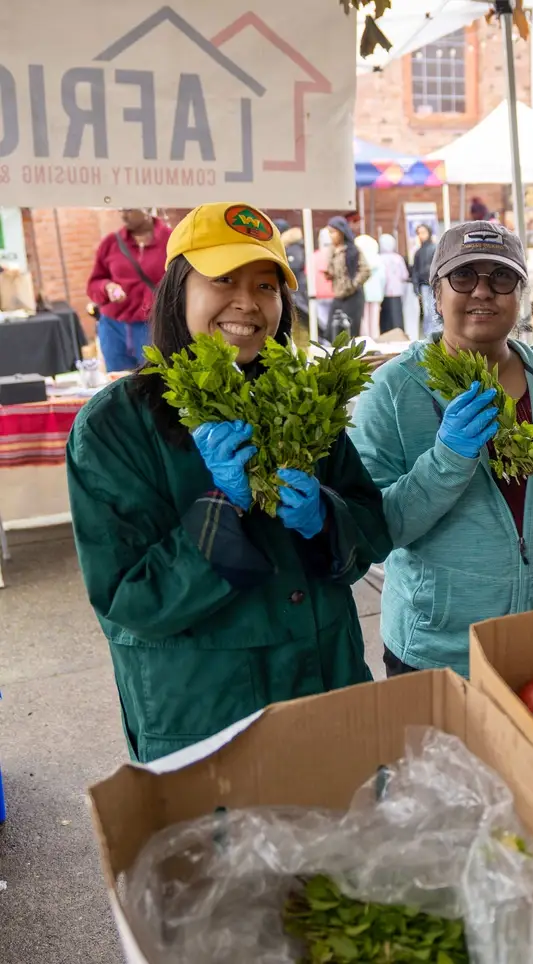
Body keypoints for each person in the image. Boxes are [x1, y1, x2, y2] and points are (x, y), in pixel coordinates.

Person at [66, 201, 392, 763]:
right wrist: (220, 511)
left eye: (266, 285)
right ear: (178, 291)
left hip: (327, 687)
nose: (248, 301)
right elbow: (128, 598)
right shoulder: (114, 426)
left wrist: (325, 519)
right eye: (222, 279)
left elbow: (370, 532)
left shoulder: (304, 399)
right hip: (206, 719)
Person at [349, 220, 533, 678]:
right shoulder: (391, 391)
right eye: (464, 276)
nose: (483, 291)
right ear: (436, 294)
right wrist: (446, 463)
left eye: (502, 277)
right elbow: (371, 531)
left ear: (521, 296)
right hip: (440, 653)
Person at [87, 208, 171, 372]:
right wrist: (107, 287)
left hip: (154, 325)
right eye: (121, 210)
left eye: (129, 210)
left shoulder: (171, 240)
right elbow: (93, 283)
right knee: (119, 381)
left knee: (156, 378)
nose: (123, 216)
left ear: (147, 208)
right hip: (114, 327)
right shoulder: (111, 243)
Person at [325, 216, 370, 339]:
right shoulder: (332, 250)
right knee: (332, 331)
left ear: (341, 232)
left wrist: (353, 284)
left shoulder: (353, 250)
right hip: (338, 295)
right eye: (329, 233)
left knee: (349, 331)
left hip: (353, 295)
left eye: (333, 232)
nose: (331, 236)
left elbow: (365, 270)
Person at [274, 218, 310, 347]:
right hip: (295, 293)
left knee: (300, 326)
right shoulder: (292, 247)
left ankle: (302, 351)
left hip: (297, 294)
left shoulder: (293, 248)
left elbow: (294, 266)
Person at [355, 233, 386, 339]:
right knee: (374, 318)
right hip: (376, 293)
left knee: (363, 319)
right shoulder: (378, 260)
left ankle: (365, 338)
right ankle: (375, 338)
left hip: (361, 293)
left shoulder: (359, 261)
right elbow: (383, 278)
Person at [378, 234, 410, 334]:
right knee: (397, 316)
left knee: (385, 317)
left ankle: (386, 335)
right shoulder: (398, 258)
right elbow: (404, 275)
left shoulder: (379, 258)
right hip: (397, 291)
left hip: (383, 292)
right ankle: (399, 334)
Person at [411, 223, 438, 334]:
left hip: (435, 285)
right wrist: (416, 288)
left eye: (423, 232)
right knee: (427, 313)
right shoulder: (418, 252)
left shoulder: (435, 248)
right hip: (424, 286)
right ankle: (429, 336)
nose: (421, 235)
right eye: (419, 233)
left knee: (435, 312)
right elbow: (415, 271)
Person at [313, 227, 336, 339]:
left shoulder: (314, 256)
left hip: (318, 294)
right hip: (334, 293)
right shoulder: (336, 254)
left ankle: (326, 339)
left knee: (322, 321)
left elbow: (308, 274)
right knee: (334, 321)